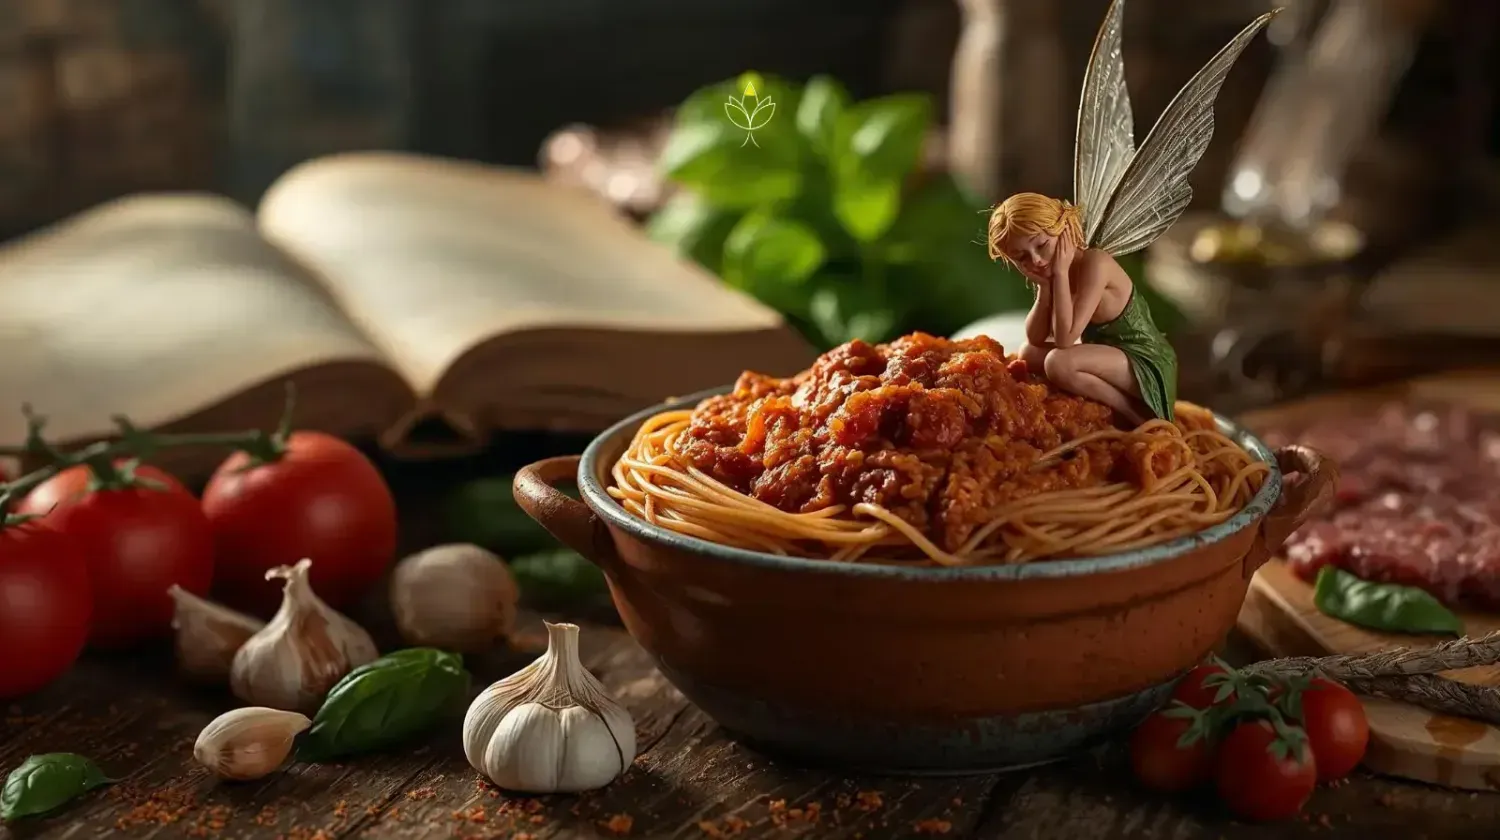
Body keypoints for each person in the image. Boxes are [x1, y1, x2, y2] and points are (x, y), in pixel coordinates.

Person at [986, 192, 1177, 424]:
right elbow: (1035, 337)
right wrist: (1045, 288)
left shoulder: (1095, 263)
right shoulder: (1052, 271)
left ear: (1063, 228)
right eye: (1022, 257)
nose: (1035, 260)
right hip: (1105, 357)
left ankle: (1133, 416)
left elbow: (1065, 340)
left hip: (1142, 359)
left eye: (1042, 245)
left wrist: (1059, 275)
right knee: (1028, 355)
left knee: (1058, 363)